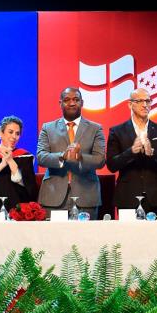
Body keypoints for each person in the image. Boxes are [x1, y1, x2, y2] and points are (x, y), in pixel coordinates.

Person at [106, 88, 157, 216]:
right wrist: (131, 151)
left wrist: (153, 153)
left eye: (147, 101)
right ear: (130, 104)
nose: (145, 105)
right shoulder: (117, 131)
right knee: (127, 236)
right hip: (127, 197)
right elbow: (111, 165)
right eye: (139, 101)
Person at [36, 87, 106, 219]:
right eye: (67, 100)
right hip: (53, 196)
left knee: (86, 239)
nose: (72, 103)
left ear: (82, 102)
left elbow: (100, 159)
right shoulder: (47, 128)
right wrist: (63, 155)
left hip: (86, 196)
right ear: (60, 103)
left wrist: (80, 157)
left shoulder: (96, 128)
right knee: (52, 239)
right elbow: (41, 157)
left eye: (76, 99)